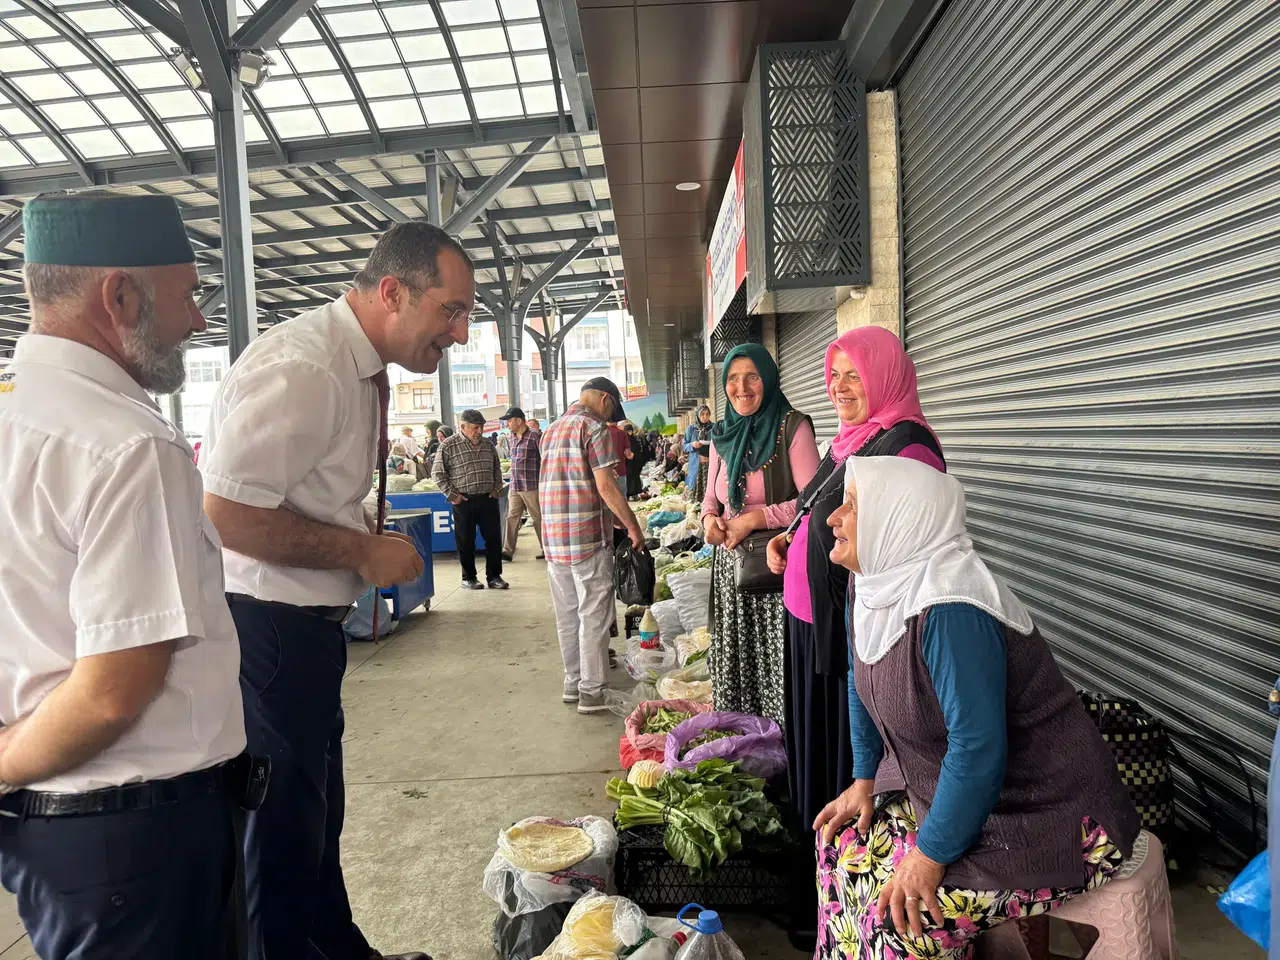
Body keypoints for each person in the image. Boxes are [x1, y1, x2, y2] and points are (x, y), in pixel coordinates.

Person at [201, 220, 470, 960]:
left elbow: (306, 493)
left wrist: (361, 539)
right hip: (268, 631)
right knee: (281, 834)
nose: (461, 333)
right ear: (392, 292)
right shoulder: (306, 368)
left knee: (316, 817)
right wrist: (359, 550)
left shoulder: (355, 368)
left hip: (306, 632)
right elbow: (224, 514)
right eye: (450, 311)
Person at [0, 193, 250, 958]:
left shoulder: (15, 414)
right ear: (120, 297)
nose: (198, 320)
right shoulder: (128, 444)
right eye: (187, 295)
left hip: (58, 839)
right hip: (136, 840)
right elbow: (113, 692)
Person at [813, 456, 1140, 959]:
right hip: (961, 795)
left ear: (899, 520)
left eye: (852, 506)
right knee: (838, 845)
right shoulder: (876, 583)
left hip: (1047, 816)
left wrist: (928, 856)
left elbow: (977, 749)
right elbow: (862, 676)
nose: (834, 518)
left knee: (902, 922)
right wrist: (863, 782)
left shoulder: (951, 610)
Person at [765, 326, 945, 832]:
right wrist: (790, 538)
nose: (839, 387)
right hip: (811, 620)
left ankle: (835, 859)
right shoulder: (851, 441)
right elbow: (815, 508)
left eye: (855, 376)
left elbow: (906, 553)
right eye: (834, 374)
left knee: (846, 759)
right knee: (814, 749)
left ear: (885, 377)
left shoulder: (907, 448)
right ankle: (814, 851)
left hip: (858, 638)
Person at [700, 344, 819, 724]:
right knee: (737, 659)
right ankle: (744, 742)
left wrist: (754, 519)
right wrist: (709, 521)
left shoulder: (792, 427)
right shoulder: (721, 434)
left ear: (767, 378)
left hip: (775, 568)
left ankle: (779, 746)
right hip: (730, 568)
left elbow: (814, 500)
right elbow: (710, 498)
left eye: (752, 376)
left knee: (773, 663)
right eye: (733, 378)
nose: (742, 387)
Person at [540, 377, 645, 714]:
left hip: (555, 539)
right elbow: (606, 486)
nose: (611, 416)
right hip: (587, 538)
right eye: (612, 408)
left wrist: (613, 515)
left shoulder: (550, 430)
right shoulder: (594, 429)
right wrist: (632, 526)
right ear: (604, 400)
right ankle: (593, 692)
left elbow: (571, 483)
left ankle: (573, 683)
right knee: (594, 616)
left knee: (567, 616)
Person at [434, 409, 507, 589]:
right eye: (475, 427)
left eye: (481, 427)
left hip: (487, 498)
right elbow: (437, 473)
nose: (479, 431)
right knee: (466, 541)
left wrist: (496, 488)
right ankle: (469, 578)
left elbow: (497, 469)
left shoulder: (488, 445)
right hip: (464, 501)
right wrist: (453, 496)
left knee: (493, 539)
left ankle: (494, 576)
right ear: (463, 427)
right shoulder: (448, 446)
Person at [500, 406, 544, 561]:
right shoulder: (511, 437)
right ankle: (507, 551)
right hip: (515, 485)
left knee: (538, 517)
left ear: (519, 421)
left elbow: (545, 459)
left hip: (531, 485)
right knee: (512, 517)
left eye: (509, 421)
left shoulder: (535, 436)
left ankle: (546, 548)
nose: (507, 424)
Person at [683, 404, 714, 501]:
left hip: (711, 465)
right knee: (696, 492)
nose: (705, 417)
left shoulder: (714, 428)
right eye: (702, 414)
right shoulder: (691, 429)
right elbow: (684, 446)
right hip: (696, 465)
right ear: (698, 415)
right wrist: (692, 445)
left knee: (710, 490)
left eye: (707, 414)